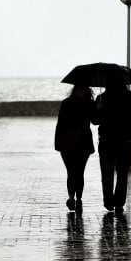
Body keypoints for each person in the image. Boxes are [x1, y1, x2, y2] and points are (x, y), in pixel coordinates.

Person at [91, 75, 131, 214]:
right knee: (122, 174)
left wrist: (98, 109)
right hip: (123, 142)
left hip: (109, 141)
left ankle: (109, 202)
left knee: (108, 173)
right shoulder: (129, 97)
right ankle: (118, 202)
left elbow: (95, 120)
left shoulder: (103, 98)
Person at [54, 84, 95, 213]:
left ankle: (78, 198)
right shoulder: (69, 103)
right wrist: (58, 144)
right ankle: (73, 197)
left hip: (80, 144)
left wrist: (97, 108)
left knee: (79, 172)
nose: (81, 91)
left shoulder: (88, 104)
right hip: (68, 143)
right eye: (79, 89)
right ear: (75, 90)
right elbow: (60, 124)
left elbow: (95, 120)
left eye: (83, 89)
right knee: (72, 171)